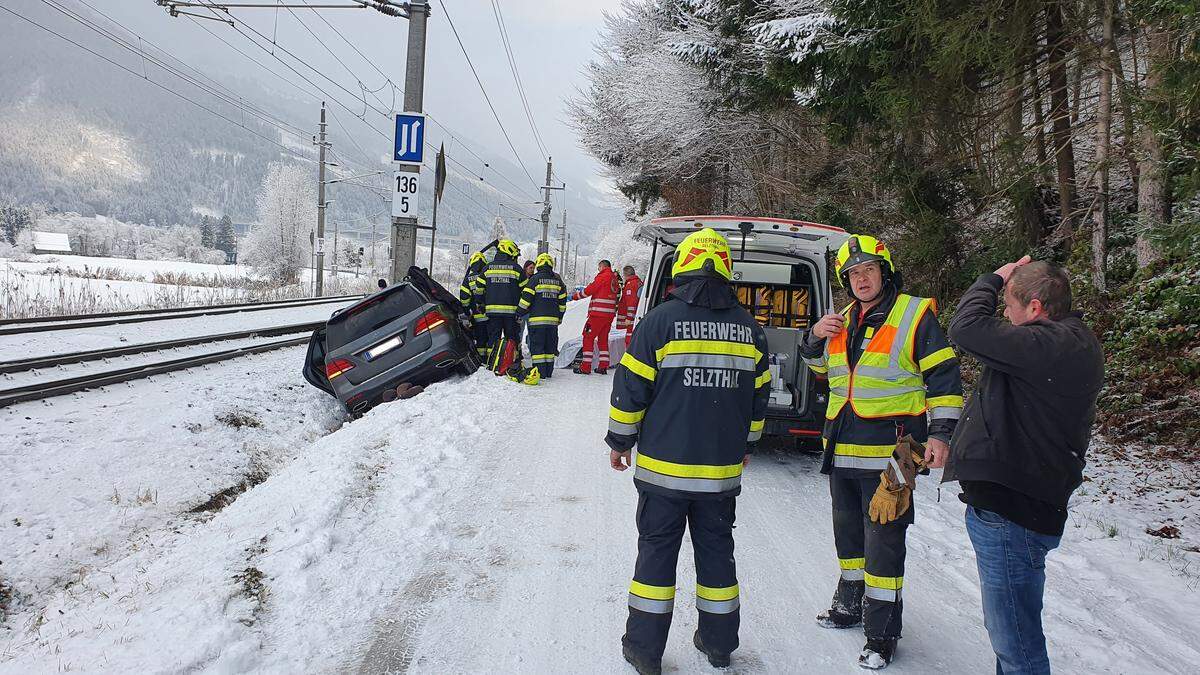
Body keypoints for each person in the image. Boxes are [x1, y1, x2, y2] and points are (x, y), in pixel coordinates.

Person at [607, 228, 771, 675]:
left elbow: (630, 390)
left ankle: (644, 651)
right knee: (717, 554)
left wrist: (620, 443)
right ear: (724, 269)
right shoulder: (750, 330)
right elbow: (759, 401)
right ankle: (719, 645)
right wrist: (748, 446)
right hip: (719, 476)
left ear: (683, 266)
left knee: (656, 557)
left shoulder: (659, 322)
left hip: (663, 475)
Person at [799, 234, 963, 669]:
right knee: (849, 536)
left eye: (869, 269)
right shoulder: (843, 319)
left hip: (896, 455)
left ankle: (882, 635)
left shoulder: (914, 315)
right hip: (844, 450)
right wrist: (813, 336)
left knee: (885, 542)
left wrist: (942, 434)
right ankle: (848, 605)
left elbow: (944, 378)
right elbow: (822, 368)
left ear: (884, 272)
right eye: (853, 273)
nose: (861, 278)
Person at [942, 257, 1104, 675]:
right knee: (1012, 638)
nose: (1006, 317)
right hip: (1014, 509)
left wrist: (992, 277)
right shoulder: (1059, 343)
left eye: (1009, 306)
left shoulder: (1050, 345)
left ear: (1034, 307)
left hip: (1014, 515)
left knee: (1016, 644)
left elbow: (965, 328)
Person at [516, 252, 568, 379]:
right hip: (552, 323)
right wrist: (559, 317)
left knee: (538, 347)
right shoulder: (557, 280)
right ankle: (548, 372)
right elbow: (562, 302)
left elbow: (525, 300)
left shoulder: (534, 279)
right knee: (550, 347)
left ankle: (540, 373)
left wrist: (519, 313)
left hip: (536, 322)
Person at [479, 239, 524, 373]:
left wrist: (481, 303)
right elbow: (525, 290)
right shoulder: (516, 269)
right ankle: (513, 363)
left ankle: (492, 363)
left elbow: (479, 289)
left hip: (492, 313)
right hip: (512, 313)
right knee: (513, 338)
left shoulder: (487, 268)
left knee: (493, 338)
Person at [571, 259, 619, 374]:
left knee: (588, 337)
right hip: (609, 315)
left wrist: (576, 296)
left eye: (599, 267)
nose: (598, 270)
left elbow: (590, 289)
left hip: (598, 314)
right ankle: (603, 366)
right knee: (603, 340)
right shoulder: (614, 279)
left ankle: (585, 367)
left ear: (602, 266)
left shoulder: (603, 276)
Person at [458, 251, 490, 359]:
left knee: (480, 340)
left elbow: (464, 298)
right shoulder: (489, 274)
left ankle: (482, 360)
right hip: (491, 314)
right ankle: (492, 360)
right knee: (491, 339)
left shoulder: (468, 279)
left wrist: (467, 312)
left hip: (477, 316)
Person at [615, 264, 642, 347]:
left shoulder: (630, 285)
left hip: (632, 319)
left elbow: (631, 303)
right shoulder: (638, 282)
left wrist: (629, 318)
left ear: (626, 274)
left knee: (629, 340)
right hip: (637, 315)